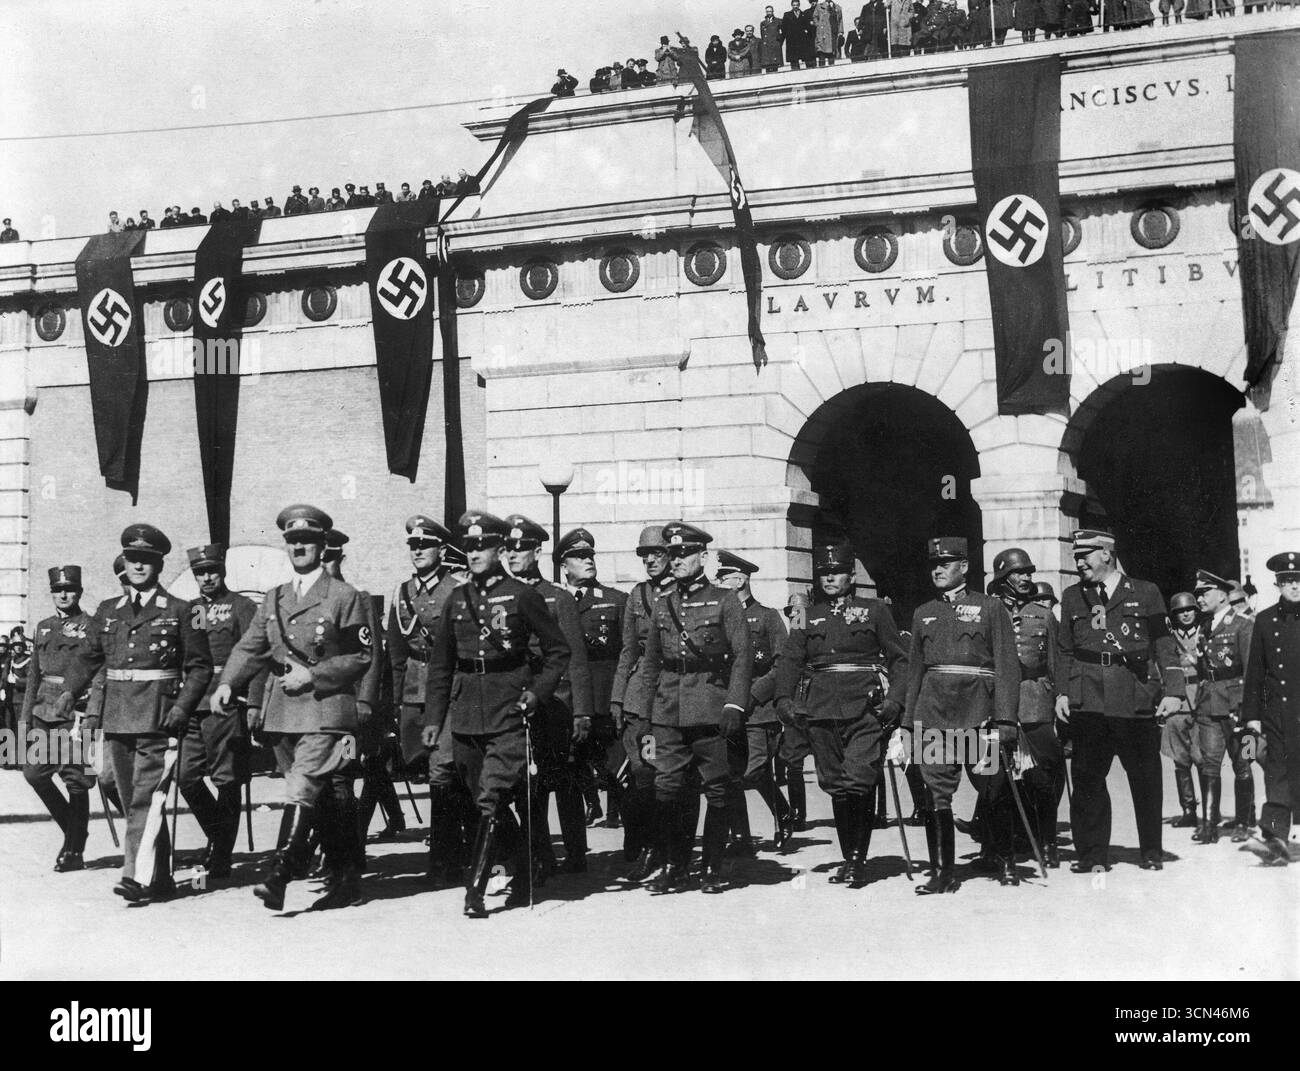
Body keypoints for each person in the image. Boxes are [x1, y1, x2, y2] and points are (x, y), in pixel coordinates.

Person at [213, 506, 372, 911]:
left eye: (308, 542)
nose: (299, 547)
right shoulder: (274, 598)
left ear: (322, 547)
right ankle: (347, 875)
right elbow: (251, 646)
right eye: (293, 541)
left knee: (302, 786)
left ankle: (281, 872)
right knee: (322, 795)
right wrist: (228, 683)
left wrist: (314, 675)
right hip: (284, 711)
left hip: (326, 710)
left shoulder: (345, 597)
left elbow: (361, 657)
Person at [422, 511, 570, 918]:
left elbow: (558, 651)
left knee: (491, 797)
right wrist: (434, 719)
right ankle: (527, 867)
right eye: (468, 547)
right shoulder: (456, 599)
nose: (474, 553)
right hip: (467, 710)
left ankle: (476, 889)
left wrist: (537, 693)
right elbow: (440, 665)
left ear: (501, 550)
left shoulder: (523, 596)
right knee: (480, 799)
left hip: (509, 708)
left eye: (482, 546)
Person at [57, 525, 213, 903]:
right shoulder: (109, 610)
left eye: (147, 560)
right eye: (133, 559)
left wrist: (181, 708)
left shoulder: (183, 610)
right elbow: (89, 656)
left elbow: (200, 668)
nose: (139, 566)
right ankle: (160, 876)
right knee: (130, 797)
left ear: (159, 565)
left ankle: (135, 876)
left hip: (160, 717)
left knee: (147, 798)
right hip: (119, 716)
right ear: (124, 563)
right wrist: (68, 691)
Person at [627, 522, 754, 894]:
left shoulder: (724, 600)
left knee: (716, 788)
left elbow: (743, 656)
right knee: (668, 786)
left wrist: (735, 704)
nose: (678, 560)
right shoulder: (663, 603)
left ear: (703, 557)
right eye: (673, 554)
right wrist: (642, 714)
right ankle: (674, 865)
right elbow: (650, 663)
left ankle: (713, 866)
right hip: (668, 709)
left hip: (712, 707)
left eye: (685, 554)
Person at [777, 542, 908, 884]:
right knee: (836, 784)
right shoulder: (807, 613)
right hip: (820, 711)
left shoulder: (875, 610)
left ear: (851, 575)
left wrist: (894, 701)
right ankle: (848, 855)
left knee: (859, 780)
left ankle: (855, 859)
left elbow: (898, 658)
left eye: (836, 572)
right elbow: (791, 659)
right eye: (823, 573)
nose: (829, 578)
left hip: (865, 708)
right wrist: (783, 700)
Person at [1056, 529, 1184, 873]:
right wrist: (1063, 692)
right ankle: (1092, 854)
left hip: (1134, 698)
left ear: (1107, 555)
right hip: (1089, 702)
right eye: (1076, 555)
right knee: (1086, 781)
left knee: (1145, 779)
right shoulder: (1071, 597)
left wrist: (1174, 691)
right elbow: (1064, 650)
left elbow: (1163, 644)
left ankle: (1151, 850)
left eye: (1085, 554)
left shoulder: (1145, 592)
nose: (1078, 561)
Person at [906, 537, 1020, 894]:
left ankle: (1004, 859)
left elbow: (1007, 667)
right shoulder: (923, 612)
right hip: (934, 716)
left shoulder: (990, 608)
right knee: (935, 794)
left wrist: (1005, 720)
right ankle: (942, 873)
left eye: (947, 563)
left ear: (965, 567)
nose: (938, 569)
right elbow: (914, 672)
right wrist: (906, 725)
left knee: (994, 789)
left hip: (978, 715)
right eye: (934, 564)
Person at [500, 514, 595, 879]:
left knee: (564, 780)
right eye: (509, 548)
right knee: (529, 786)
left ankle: (575, 853)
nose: (514, 554)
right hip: (517, 704)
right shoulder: (501, 596)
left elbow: (575, 659)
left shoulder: (557, 598)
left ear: (537, 550)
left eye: (522, 547)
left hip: (557, 703)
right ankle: (540, 856)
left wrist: (581, 712)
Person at [387, 514, 469, 886]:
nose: (418, 551)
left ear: (441, 549)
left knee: (443, 770)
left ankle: (444, 861)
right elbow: (397, 655)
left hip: (450, 690)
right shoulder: (401, 593)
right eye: (414, 546)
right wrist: (395, 703)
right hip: (415, 692)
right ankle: (462, 846)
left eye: (426, 545)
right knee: (428, 770)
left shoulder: (457, 588)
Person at [177, 545, 260, 880]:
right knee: (187, 777)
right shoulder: (191, 610)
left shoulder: (241, 606)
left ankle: (222, 855)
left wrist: (253, 702)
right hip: (193, 701)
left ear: (222, 571)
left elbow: (255, 656)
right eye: (200, 572)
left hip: (225, 702)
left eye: (211, 570)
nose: (206, 577)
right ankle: (218, 836)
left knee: (226, 779)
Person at [320, 529, 391, 878]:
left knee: (342, 780)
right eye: (321, 556)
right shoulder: (307, 600)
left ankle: (347, 859)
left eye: (331, 557)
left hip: (349, 710)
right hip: (313, 712)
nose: (325, 563)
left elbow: (372, 655)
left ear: (340, 559)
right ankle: (332, 853)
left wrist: (365, 701)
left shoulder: (357, 599)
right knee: (318, 783)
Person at [990, 548, 1064, 868]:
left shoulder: (1043, 614)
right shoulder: (990, 612)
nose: (1026, 578)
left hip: (1035, 702)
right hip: (998, 703)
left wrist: (1060, 698)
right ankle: (1000, 844)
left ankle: (1047, 841)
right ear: (1003, 579)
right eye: (1019, 573)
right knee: (999, 779)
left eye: (1029, 573)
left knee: (1044, 776)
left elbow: (1055, 665)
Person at [609, 525, 675, 882]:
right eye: (644, 554)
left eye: (657, 554)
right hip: (638, 699)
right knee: (641, 775)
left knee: (665, 778)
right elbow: (628, 650)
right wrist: (618, 698)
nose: (649, 560)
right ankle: (647, 845)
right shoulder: (636, 595)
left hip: (672, 694)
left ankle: (664, 849)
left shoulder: (684, 591)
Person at [715, 551, 793, 854]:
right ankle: (741, 838)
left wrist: (754, 694)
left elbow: (781, 664)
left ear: (740, 579)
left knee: (754, 771)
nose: (720, 582)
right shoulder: (719, 618)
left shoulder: (768, 616)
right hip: (728, 709)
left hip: (759, 711)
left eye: (724, 577)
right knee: (731, 774)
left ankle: (783, 813)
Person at [21, 567, 98, 871]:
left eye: (70, 590)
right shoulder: (43, 627)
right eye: (58, 591)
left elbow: (96, 669)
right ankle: (75, 830)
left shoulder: (91, 626)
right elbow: (32, 676)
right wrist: (24, 720)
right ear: (52, 593)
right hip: (43, 710)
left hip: (73, 711)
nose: (64, 595)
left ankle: (74, 851)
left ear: (79, 592)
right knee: (34, 773)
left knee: (75, 778)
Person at [559, 527, 627, 830]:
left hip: (603, 692)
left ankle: (616, 810)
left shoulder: (613, 600)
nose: (587, 560)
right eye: (578, 556)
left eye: (590, 555)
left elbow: (627, 651)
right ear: (564, 566)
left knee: (611, 756)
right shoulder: (554, 600)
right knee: (573, 760)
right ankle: (591, 805)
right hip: (568, 695)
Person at [1242, 552, 1300, 864]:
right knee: (1277, 773)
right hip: (1278, 714)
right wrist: (1252, 717)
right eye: (1288, 580)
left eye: (1298, 579)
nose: (1294, 585)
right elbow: (1255, 673)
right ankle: (1276, 838)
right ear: (1278, 584)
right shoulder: (1265, 621)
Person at [1189, 570, 1254, 844]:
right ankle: (1209, 825)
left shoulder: (1242, 624)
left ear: (1222, 594)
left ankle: (1242, 823)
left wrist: (1250, 710)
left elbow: (1254, 670)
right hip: (1208, 702)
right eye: (1198, 593)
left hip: (1237, 705)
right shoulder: (1204, 627)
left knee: (1243, 764)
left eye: (1204, 593)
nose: (1199, 598)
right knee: (1209, 764)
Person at [1162, 591, 1202, 829]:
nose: (1185, 615)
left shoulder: (1205, 633)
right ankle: (1188, 810)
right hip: (1177, 702)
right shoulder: (1168, 639)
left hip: (1201, 700)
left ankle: (1209, 809)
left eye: (1189, 610)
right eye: (1180, 612)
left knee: (1203, 757)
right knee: (1180, 759)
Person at [782, 0, 811, 69]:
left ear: (799, 5)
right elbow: (784, 29)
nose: (795, 6)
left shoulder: (804, 14)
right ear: (792, 5)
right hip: (792, 42)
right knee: (794, 61)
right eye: (794, 5)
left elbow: (808, 27)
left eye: (797, 5)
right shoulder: (787, 15)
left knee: (806, 60)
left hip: (802, 41)